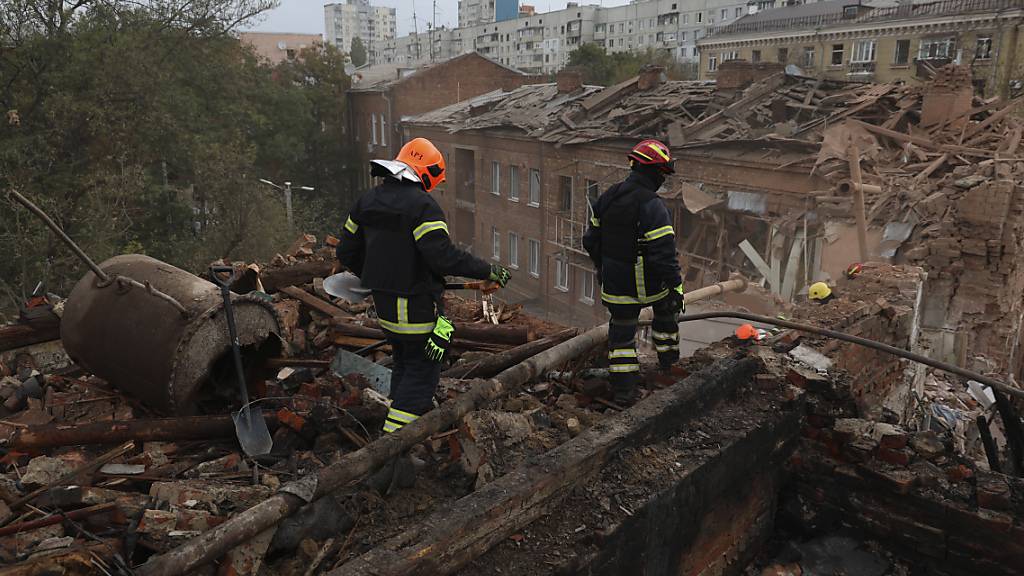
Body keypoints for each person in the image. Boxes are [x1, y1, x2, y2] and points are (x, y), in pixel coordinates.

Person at [337, 137, 511, 437]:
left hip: (385, 309)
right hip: (414, 308)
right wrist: (488, 270)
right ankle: (391, 446)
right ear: (427, 173)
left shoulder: (368, 200)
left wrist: (378, 275)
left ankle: (394, 430)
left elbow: (346, 252)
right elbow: (443, 257)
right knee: (421, 375)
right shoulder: (422, 206)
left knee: (405, 365)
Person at [583, 139, 684, 405]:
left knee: (621, 338)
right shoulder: (652, 205)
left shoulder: (608, 196)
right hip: (649, 284)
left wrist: (604, 267)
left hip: (616, 285)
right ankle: (669, 368)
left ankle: (624, 392)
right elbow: (663, 253)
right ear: (652, 171)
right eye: (662, 172)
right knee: (667, 315)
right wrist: (676, 286)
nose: (663, 178)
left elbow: (590, 241)